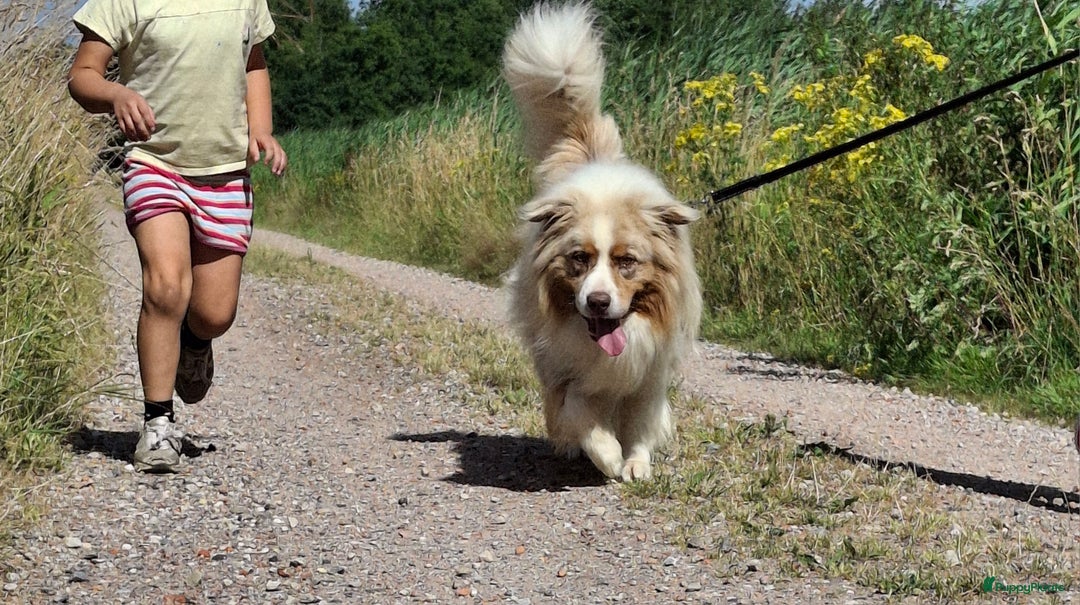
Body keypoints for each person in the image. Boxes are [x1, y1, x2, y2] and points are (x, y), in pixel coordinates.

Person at [68, 0, 287, 472]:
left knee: (214, 313)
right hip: (154, 162)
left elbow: (253, 64)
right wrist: (115, 94)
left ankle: (194, 340)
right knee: (166, 287)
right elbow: (82, 75)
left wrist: (262, 130)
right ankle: (158, 423)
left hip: (224, 172)